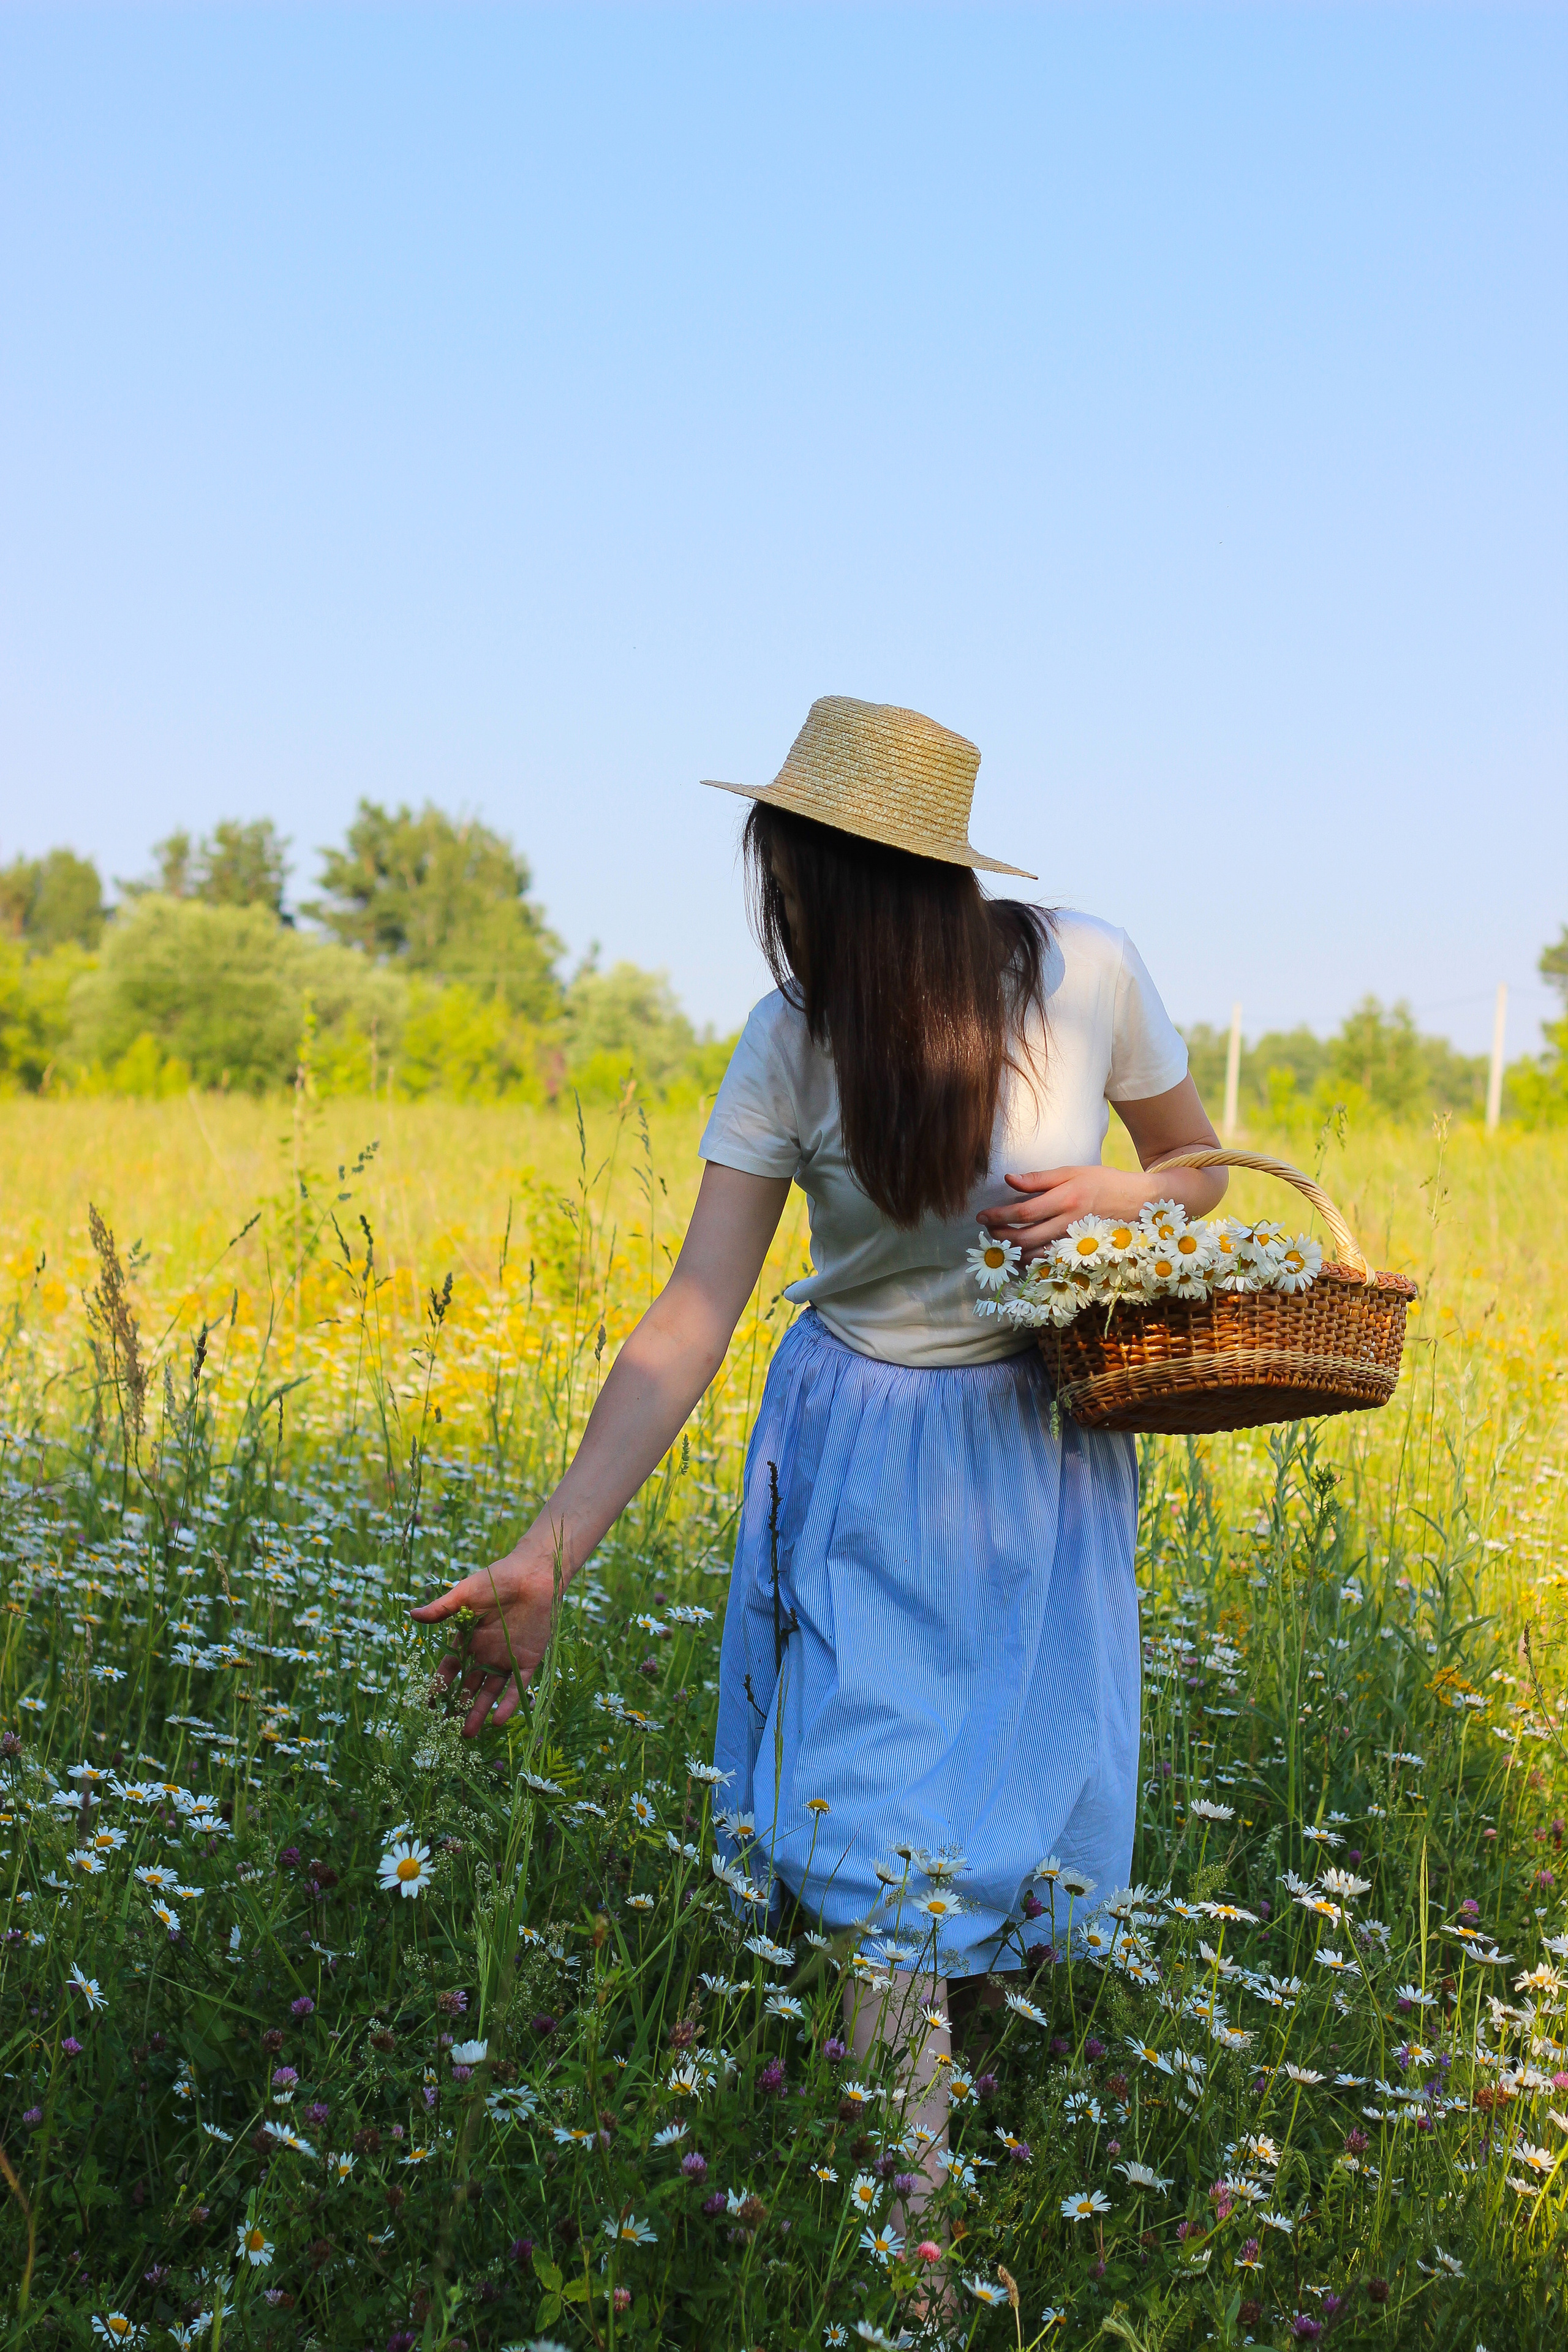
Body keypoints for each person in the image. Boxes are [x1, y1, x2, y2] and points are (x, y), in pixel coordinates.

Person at [411, 695, 1225, 2206]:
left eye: (783, 859)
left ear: (840, 873)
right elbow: (691, 1314)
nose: (771, 890)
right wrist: (547, 1552)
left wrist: (1118, 1196)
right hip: (859, 1452)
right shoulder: (791, 1040)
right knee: (875, 1844)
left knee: (1010, 1810)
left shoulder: (1086, 969)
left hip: (1039, 1452)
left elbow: (1197, 1170)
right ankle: (909, 2257)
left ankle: (957, 2148)